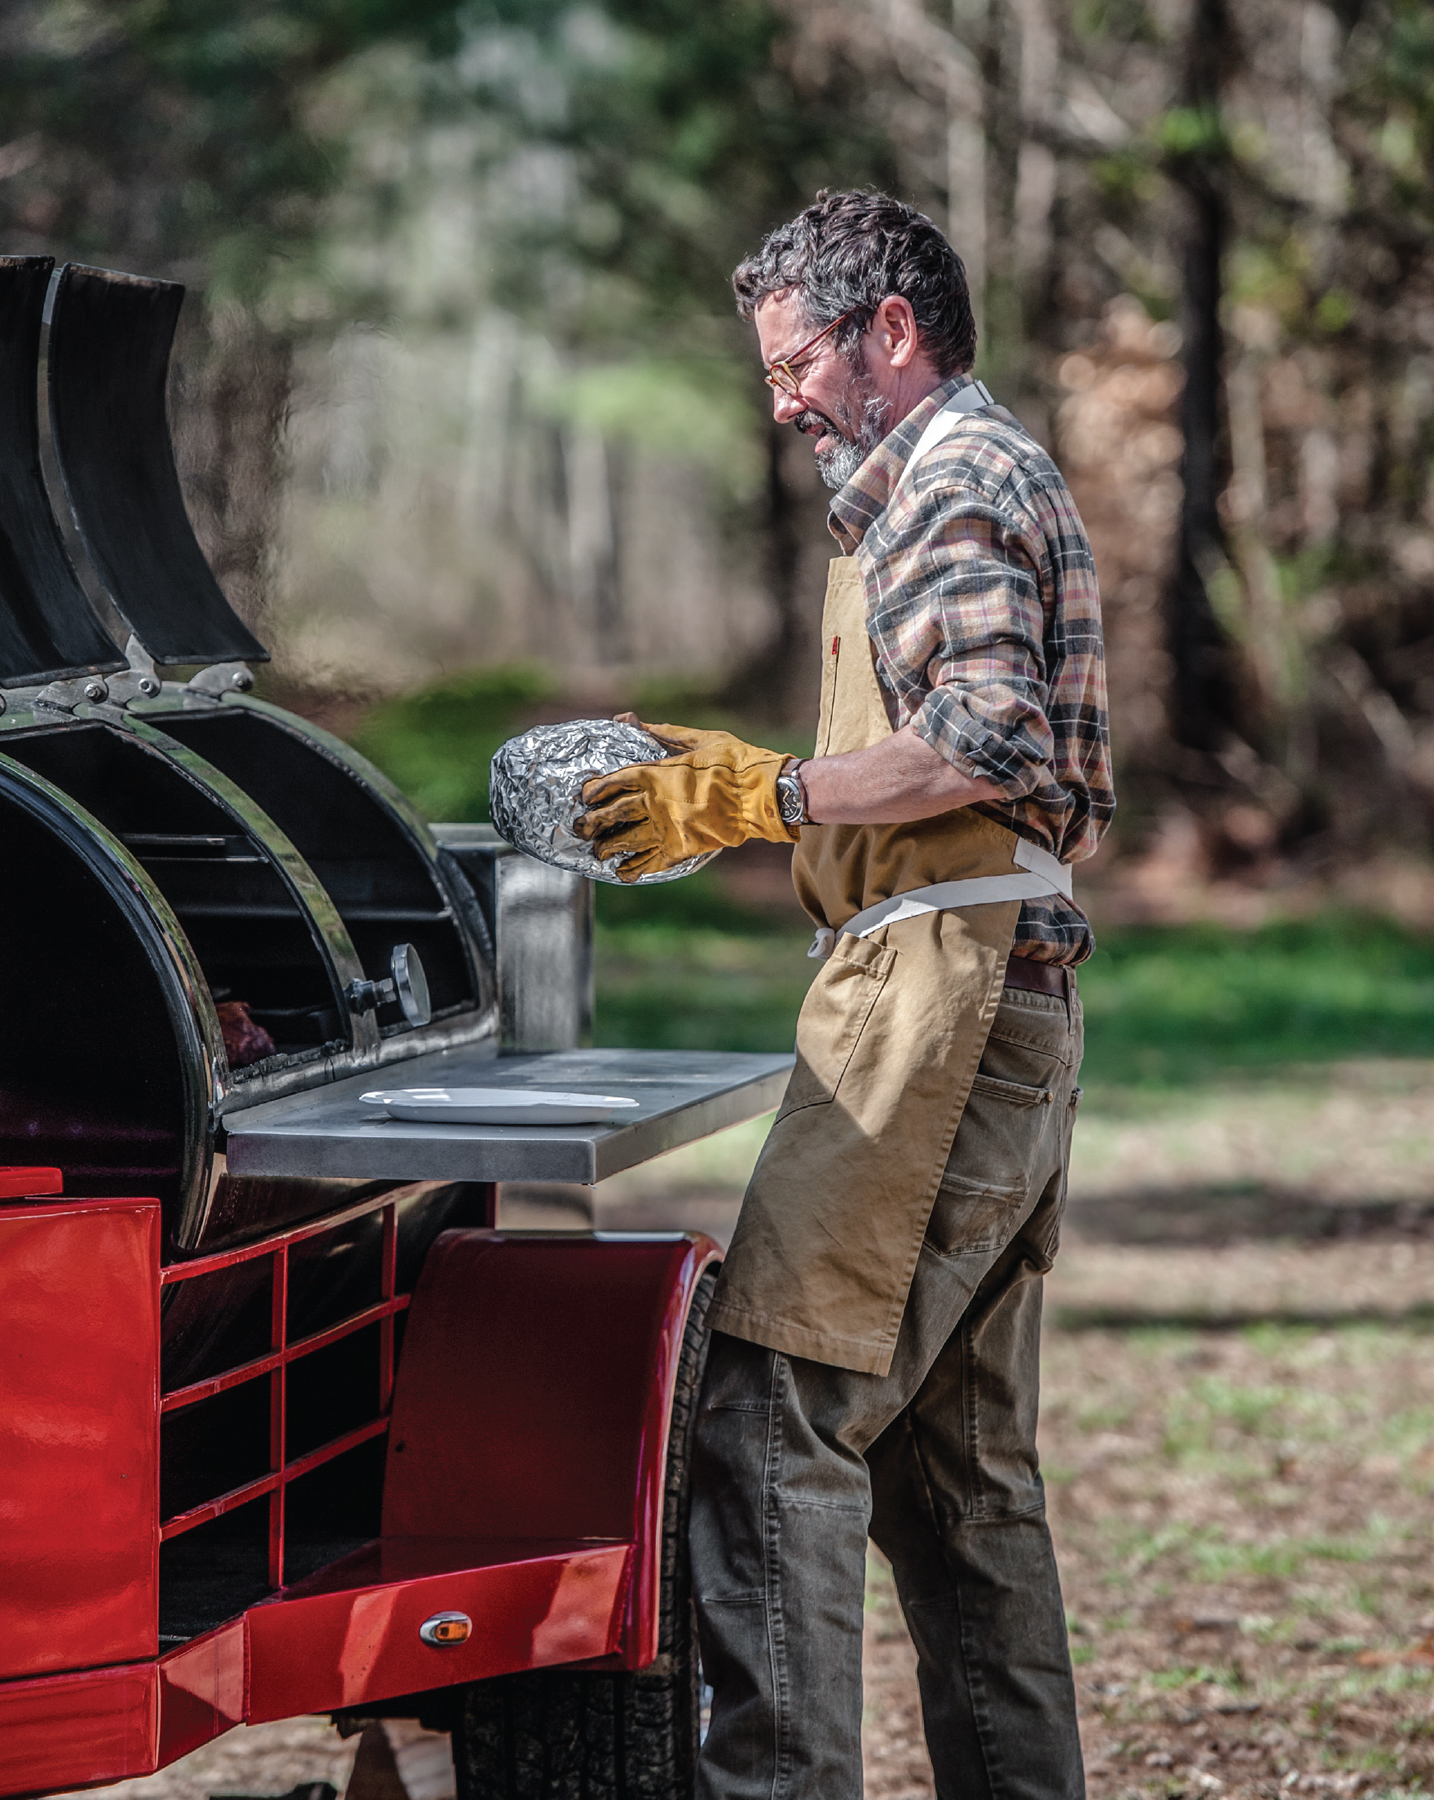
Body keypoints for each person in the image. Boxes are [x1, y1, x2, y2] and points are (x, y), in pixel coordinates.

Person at [576, 188, 1114, 1800]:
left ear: (891, 332)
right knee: (956, 1483)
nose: (781, 395)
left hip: (938, 1005)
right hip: (986, 998)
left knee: (768, 1430)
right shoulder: (957, 474)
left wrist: (769, 797)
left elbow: (984, 738)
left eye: (797, 358)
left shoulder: (949, 482)